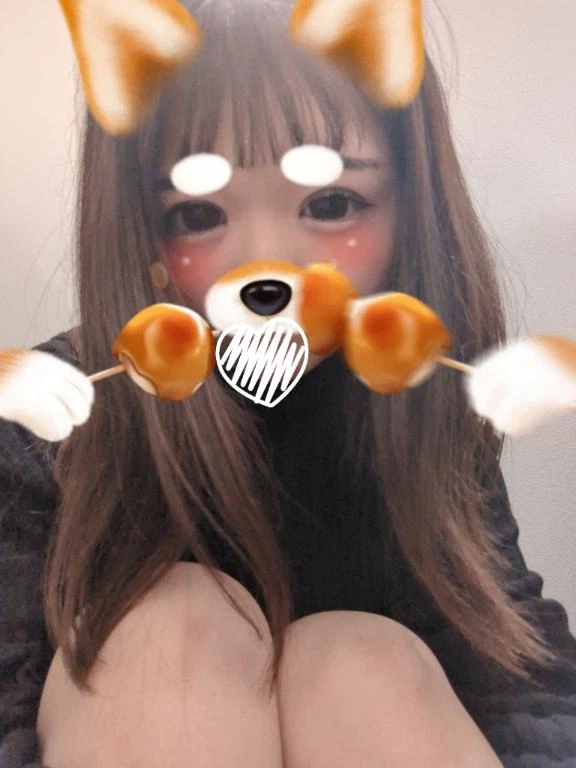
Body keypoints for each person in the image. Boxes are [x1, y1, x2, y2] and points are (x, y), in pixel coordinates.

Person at [1, 0, 576, 766]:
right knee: (172, 630)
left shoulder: (430, 408)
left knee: (359, 662)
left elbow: (518, 665)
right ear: (138, 231)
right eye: (197, 215)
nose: (266, 263)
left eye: (331, 205)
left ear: (410, 210)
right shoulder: (52, 419)